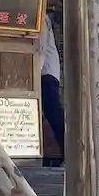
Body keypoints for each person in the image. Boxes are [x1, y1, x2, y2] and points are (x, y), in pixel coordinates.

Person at [39, 10, 63, 160]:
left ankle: (67, 150)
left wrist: (35, 71)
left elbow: (40, 49)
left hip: (46, 72)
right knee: (50, 112)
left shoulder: (41, 19)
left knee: (53, 112)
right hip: (45, 72)